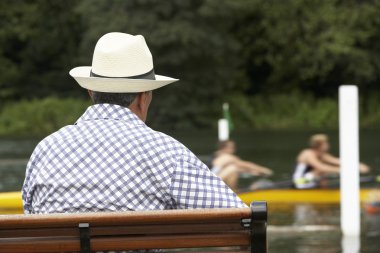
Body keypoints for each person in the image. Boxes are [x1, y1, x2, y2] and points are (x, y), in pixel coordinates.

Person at [22, 32, 245, 214]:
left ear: (90, 92)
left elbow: (30, 215)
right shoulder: (168, 153)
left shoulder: (46, 149)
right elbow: (240, 220)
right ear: (143, 98)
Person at [293, 134, 370, 189]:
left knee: (327, 171)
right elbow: (321, 167)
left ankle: (325, 191)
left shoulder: (322, 155)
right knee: (322, 171)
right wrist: (341, 170)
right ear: (320, 145)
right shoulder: (308, 154)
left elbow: (339, 161)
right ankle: (323, 193)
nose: (328, 145)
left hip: (312, 180)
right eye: (326, 143)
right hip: (300, 182)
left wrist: (359, 166)